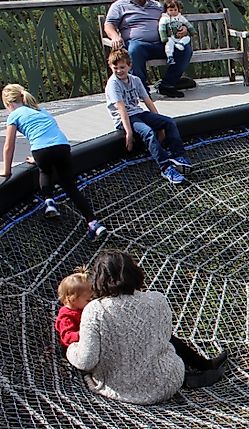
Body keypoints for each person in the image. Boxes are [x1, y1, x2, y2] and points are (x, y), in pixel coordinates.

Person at [66, 249, 228, 405]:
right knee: (161, 345)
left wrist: (71, 349)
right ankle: (193, 372)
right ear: (134, 272)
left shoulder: (95, 310)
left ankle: (197, 370)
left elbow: (86, 361)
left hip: (118, 389)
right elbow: (165, 340)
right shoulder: (157, 300)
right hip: (166, 383)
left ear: (99, 279)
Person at [1, 84, 106, 240]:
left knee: (45, 170)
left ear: (9, 104)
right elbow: (51, 134)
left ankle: (49, 202)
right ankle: (94, 223)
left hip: (41, 151)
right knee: (71, 187)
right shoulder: (40, 110)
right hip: (62, 147)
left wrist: (6, 170)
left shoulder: (14, 115)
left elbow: (9, 146)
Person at [105, 48, 193, 185]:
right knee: (148, 132)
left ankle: (178, 155)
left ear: (129, 66)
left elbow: (147, 101)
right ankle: (165, 167)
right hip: (125, 118)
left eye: (122, 67)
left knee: (169, 122)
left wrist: (159, 124)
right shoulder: (113, 84)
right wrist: (128, 132)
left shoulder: (135, 80)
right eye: (115, 68)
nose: (119, 71)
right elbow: (121, 108)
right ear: (111, 67)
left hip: (138, 112)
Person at [104, 0, 193, 98]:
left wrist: (182, 29)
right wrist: (114, 36)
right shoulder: (119, 6)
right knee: (134, 50)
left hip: (161, 44)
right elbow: (109, 25)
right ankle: (142, 91)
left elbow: (172, 20)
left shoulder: (156, 6)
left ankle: (167, 85)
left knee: (184, 49)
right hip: (138, 44)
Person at [55, 267, 93, 348]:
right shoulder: (67, 316)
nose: (91, 302)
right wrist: (85, 334)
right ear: (72, 299)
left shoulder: (81, 308)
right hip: (77, 349)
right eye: (88, 300)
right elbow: (67, 338)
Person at [159, 0, 195, 66]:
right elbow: (161, 28)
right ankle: (170, 56)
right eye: (171, 10)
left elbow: (187, 24)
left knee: (187, 38)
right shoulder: (164, 18)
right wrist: (163, 37)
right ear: (166, 10)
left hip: (180, 37)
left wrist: (192, 31)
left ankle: (181, 44)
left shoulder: (180, 17)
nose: (173, 12)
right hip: (171, 37)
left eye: (175, 10)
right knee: (169, 44)